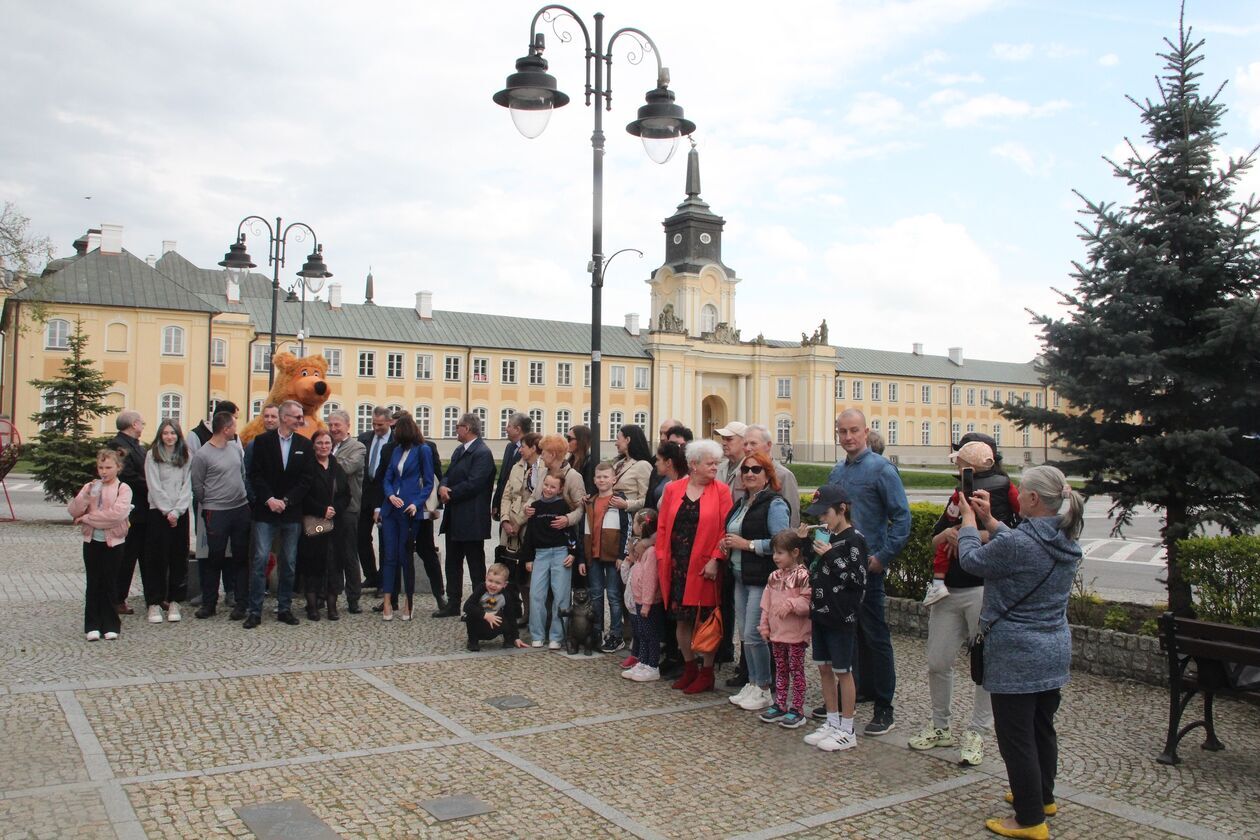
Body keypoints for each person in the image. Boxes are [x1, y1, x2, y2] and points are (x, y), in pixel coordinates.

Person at [958, 465, 1082, 840]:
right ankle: (1042, 797)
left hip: (1016, 653)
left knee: (1017, 737)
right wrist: (991, 520)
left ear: (1030, 499)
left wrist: (967, 522)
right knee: (1042, 728)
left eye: (1021, 491)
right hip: (1053, 648)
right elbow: (1025, 547)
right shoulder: (1066, 536)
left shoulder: (1019, 544)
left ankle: (1029, 820)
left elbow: (971, 560)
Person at [910, 435, 1021, 768]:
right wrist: (947, 535)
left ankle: (977, 732)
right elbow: (934, 539)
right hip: (949, 591)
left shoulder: (1004, 492)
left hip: (983, 589)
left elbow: (1016, 536)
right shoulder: (957, 496)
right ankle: (940, 725)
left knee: (985, 667)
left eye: (963, 462)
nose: (960, 468)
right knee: (938, 661)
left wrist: (975, 534)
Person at [824, 408, 910, 736]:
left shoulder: (881, 469)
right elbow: (829, 518)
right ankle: (852, 694)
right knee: (846, 635)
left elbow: (902, 518)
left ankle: (884, 706)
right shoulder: (836, 472)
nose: (848, 437)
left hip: (868, 567)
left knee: (875, 636)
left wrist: (883, 557)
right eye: (842, 431)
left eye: (854, 431)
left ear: (866, 431)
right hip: (839, 568)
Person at [656, 439, 734, 695]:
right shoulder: (673, 489)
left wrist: (715, 559)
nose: (715, 467)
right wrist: (661, 557)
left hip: (704, 567)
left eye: (716, 462)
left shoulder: (721, 490)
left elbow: (726, 529)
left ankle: (707, 672)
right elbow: (664, 526)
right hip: (678, 564)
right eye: (710, 463)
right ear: (693, 464)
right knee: (682, 620)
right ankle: (689, 667)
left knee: (705, 620)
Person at [721, 451, 791, 712]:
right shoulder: (743, 503)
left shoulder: (774, 504)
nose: (749, 473)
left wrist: (747, 544)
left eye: (756, 469)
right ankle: (752, 682)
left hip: (760, 577)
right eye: (745, 469)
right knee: (745, 634)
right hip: (740, 574)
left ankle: (764, 686)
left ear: (767, 475)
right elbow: (734, 531)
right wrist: (727, 543)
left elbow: (781, 541)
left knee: (754, 633)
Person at [800, 486, 868, 753]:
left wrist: (829, 554)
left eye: (825, 513)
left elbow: (858, 579)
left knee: (843, 671)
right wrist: (808, 547)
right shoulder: (825, 536)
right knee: (824, 667)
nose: (822, 520)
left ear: (842, 509)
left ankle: (847, 728)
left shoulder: (854, 540)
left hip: (842, 614)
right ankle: (831, 720)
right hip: (820, 611)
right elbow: (814, 570)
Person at [245, 399, 312, 628]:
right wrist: (269, 499)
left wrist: (286, 500)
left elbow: (306, 479)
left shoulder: (304, 443)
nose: (300, 420)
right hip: (266, 511)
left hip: (291, 512)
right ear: (285, 417)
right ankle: (254, 610)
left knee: (289, 562)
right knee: (260, 559)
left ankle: (284, 607)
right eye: (297, 416)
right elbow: (255, 475)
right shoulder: (262, 442)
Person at [191, 412, 251, 621]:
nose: (236, 429)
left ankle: (241, 603)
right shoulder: (203, 454)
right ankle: (210, 603)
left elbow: (242, 474)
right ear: (225, 429)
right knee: (214, 557)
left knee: (241, 557)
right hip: (216, 511)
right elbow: (197, 485)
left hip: (240, 508)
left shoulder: (235, 448)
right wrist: (210, 502)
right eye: (234, 425)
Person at [68, 449, 133, 641]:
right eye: (101, 467)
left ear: (118, 468)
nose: (104, 472)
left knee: (110, 583)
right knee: (94, 582)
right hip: (92, 541)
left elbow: (115, 516)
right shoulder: (91, 486)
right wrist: (85, 496)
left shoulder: (123, 488)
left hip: (114, 542)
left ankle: (111, 624)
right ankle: (92, 624)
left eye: (108, 467)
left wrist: (87, 517)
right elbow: (73, 510)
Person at [435, 412, 496, 617]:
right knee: (452, 562)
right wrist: (443, 486)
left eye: (458, 425)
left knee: (475, 564)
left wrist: (449, 493)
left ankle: (479, 606)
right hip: (455, 516)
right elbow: (448, 474)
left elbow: (475, 483)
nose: (455, 429)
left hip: (472, 518)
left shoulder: (482, 453)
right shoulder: (459, 450)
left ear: (467, 428)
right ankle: (453, 603)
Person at [377, 413, 434, 621]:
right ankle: (387, 601)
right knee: (389, 556)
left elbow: (428, 482)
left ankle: (408, 603)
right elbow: (388, 477)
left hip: (409, 511)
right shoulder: (397, 451)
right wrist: (390, 495)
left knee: (405, 556)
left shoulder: (423, 450)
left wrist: (415, 504)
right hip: (391, 509)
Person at [756, 530, 812, 729]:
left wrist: (791, 604)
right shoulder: (773, 577)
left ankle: (797, 709)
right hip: (777, 634)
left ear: (795, 552)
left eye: (780, 553)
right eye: (774, 552)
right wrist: (764, 625)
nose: (775, 557)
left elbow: (807, 602)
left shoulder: (803, 576)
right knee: (780, 669)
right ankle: (780, 703)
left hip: (796, 635)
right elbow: (766, 604)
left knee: (796, 671)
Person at [521, 473, 583, 649]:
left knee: (561, 595)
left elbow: (570, 531)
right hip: (540, 554)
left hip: (560, 553)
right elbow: (529, 535)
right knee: (536, 595)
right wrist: (528, 557)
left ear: (560, 489)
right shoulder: (534, 507)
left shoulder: (563, 505)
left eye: (552, 487)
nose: (548, 489)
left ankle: (557, 635)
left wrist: (573, 552)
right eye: (546, 485)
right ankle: (537, 634)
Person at [142, 419, 192, 623]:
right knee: (157, 558)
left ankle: (175, 601)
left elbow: (187, 484)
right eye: (165, 433)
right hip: (158, 513)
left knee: (178, 557)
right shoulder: (152, 456)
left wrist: (177, 511)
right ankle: (154, 602)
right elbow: (153, 486)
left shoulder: (186, 455)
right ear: (160, 435)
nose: (169, 437)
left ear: (178, 435)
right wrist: (166, 511)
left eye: (173, 433)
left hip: (179, 513)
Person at [298, 429, 351, 621]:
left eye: (327, 443)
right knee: (313, 563)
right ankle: (312, 606)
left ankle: (332, 607)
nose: (324, 446)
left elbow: (346, 494)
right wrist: (322, 511)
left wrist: (334, 508)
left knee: (334, 564)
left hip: (335, 524)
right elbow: (302, 495)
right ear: (314, 445)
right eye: (320, 443)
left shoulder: (337, 467)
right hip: (315, 522)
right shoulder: (307, 467)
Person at [581, 462, 630, 653]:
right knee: (595, 596)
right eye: (599, 477)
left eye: (606, 477)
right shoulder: (590, 502)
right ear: (594, 480)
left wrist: (622, 555)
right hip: (593, 556)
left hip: (612, 556)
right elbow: (582, 531)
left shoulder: (618, 501)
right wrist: (581, 558)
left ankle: (616, 634)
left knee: (614, 596)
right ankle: (596, 632)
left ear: (614, 479)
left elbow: (626, 529)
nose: (602, 480)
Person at [109, 410, 147, 614]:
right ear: (133, 424)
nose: (143, 424)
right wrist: (152, 487)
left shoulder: (135, 446)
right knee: (127, 557)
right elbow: (129, 477)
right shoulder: (119, 446)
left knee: (141, 555)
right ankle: (117, 598)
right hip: (131, 509)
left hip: (143, 509)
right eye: (141, 422)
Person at [501, 431, 543, 620]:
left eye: (523, 447)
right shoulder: (517, 467)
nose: (520, 452)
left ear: (533, 448)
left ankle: (535, 614)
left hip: (528, 525)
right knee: (515, 573)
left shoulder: (542, 469)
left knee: (530, 572)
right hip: (511, 526)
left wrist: (519, 522)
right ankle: (524, 613)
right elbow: (507, 494)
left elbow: (536, 499)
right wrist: (504, 519)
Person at [328, 410, 366, 614]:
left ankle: (353, 598)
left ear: (347, 426)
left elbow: (348, 467)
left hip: (348, 510)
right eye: (331, 425)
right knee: (329, 553)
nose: (333, 429)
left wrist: (323, 460)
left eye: (337, 425)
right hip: (325, 512)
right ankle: (331, 594)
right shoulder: (329, 445)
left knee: (349, 554)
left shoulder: (357, 447)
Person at [622, 509, 662, 681]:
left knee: (650, 634)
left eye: (636, 523)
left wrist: (646, 603)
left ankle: (652, 665)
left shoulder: (651, 552)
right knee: (642, 633)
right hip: (638, 599)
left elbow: (650, 579)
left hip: (648, 601)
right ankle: (643, 661)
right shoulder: (640, 548)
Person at [357, 406, 394, 589]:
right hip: (365, 494)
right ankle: (371, 575)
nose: (376, 428)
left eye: (380, 424)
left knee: (385, 540)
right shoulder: (364, 438)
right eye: (374, 423)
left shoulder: (395, 441)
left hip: (386, 495)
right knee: (361, 537)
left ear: (390, 422)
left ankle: (384, 581)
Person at [742, 424, 801, 526]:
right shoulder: (744, 473)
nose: (747, 448)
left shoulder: (784, 475)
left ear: (768, 445)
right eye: (745, 444)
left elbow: (793, 518)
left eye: (753, 443)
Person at [462, 562, 528, 651]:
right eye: (490, 581)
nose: (493, 585)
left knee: (507, 615)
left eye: (497, 583)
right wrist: (485, 615)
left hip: (496, 623)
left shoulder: (506, 595)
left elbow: (511, 616)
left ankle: (509, 639)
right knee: (470, 615)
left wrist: (516, 637)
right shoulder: (481, 589)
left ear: (504, 584)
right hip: (481, 621)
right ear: (486, 578)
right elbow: (467, 606)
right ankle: (473, 641)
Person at [492, 412, 530, 520]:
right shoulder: (509, 447)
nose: (506, 429)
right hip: (504, 506)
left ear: (518, 429)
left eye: (509, 426)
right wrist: (496, 502)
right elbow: (503, 478)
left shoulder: (531, 450)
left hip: (519, 509)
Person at [610, 424, 653, 514]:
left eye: (618, 439)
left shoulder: (643, 465)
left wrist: (626, 504)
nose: (616, 443)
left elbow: (646, 499)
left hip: (629, 518)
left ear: (628, 440)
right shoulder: (618, 463)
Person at [646, 441, 687, 511]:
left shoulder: (687, 484)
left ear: (668, 462)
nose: (656, 464)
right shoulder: (667, 485)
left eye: (658, 460)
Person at [715, 421, 747, 491]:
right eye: (723, 439)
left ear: (744, 441)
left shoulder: (752, 469)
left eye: (729, 439)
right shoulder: (719, 468)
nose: (723, 443)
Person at [566, 424, 596, 494]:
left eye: (569, 438)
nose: (567, 441)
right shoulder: (569, 461)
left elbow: (588, 490)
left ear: (581, 440)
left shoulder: (590, 462)